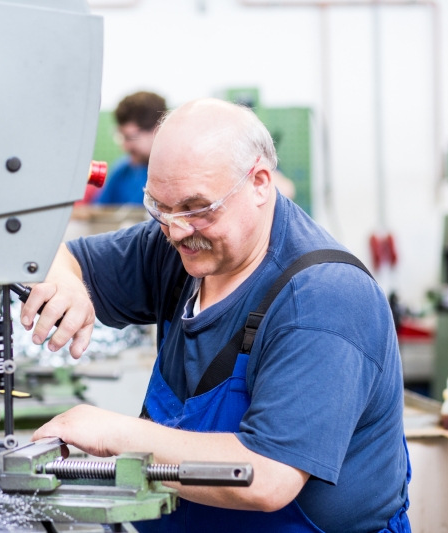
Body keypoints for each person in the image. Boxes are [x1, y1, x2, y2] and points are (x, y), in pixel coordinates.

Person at [21, 98, 410, 533]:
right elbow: (60, 257)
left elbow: (267, 476)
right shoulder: (177, 247)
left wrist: (114, 434)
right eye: (160, 208)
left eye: (196, 207)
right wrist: (69, 283)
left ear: (260, 182)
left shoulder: (323, 299)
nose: (175, 230)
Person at [93, 91, 166, 205]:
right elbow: (97, 213)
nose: (124, 146)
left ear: (157, 129)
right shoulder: (122, 171)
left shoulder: (176, 176)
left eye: (131, 137)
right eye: (122, 136)